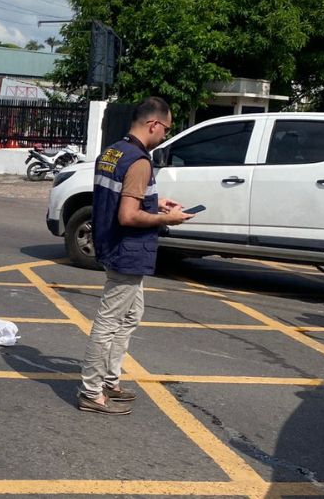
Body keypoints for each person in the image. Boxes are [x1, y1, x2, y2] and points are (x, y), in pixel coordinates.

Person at [78, 97, 192, 415]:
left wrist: (156, 202)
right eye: (166, 129)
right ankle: (91, 391)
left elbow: (121, 197)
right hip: (127, 250)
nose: (166, 135)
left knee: (130, 315)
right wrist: (167, 219)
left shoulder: (113, 151)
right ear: (153, 124)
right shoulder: (139, 161)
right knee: (109, 321)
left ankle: (109, 380)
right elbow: (128, 215)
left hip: (111, 243)